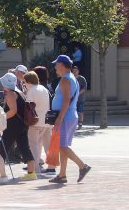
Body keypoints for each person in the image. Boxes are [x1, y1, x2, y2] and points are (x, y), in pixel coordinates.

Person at [48, 55, 90, 184]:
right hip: (69, 116)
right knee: (63, 146)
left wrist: (60, 117)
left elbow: (66, 100)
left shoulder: (66, 80)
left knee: (62, 146)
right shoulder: (71, 78)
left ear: (62, 65)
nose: (55, 67)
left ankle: (83, 166)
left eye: (57, 64)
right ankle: (62, 175)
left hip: (65, 117)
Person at [0, 73, 36, 181]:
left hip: (13, 125)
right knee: (24, 147)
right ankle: (31, 173)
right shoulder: (20, 92)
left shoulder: (10, 94)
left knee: (2, 148)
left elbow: (13, 111)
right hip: (22, 124)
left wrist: (1, 118)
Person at [24, 71, 52, 174]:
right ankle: (50, 166)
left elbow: (28, 107)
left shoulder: (31, 91)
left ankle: (35, 168)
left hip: (34, 122)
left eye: (24, 82)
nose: (24, 84)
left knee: (34, 145)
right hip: (45, 122)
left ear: (28, 81)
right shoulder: (44, 89)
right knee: (43, 145)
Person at [73, 65, 88, 129]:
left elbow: (84, 88)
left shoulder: (82, 79)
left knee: (80, 111)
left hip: (80, 99)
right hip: (73, 99)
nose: (74, 72)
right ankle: (74, 124)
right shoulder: (71, 78)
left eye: (76, 71)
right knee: (74, 111)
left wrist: (78, 94)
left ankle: (80, 123)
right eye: (73, 71)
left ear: (78, 71)